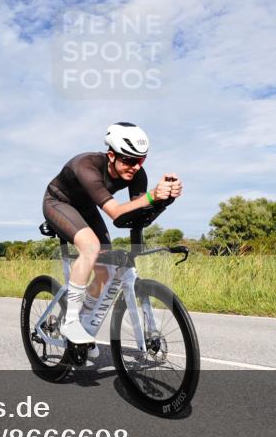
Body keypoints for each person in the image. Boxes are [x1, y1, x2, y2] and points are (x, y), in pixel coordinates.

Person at [42, 122, 182, 350]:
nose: (135, 167)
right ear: (111, 155)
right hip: (58, 202)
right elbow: (116, 211)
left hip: (86, 207)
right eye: (128, 160)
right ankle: (71, 323)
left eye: (141, 160)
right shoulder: (86, 166)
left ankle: (84, 325)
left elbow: (134, 214)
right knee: (90, 247)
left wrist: (164, 199)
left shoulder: (136, 173)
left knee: (105, 272)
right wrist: (152, 195)